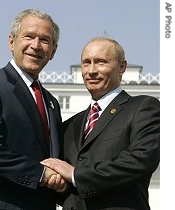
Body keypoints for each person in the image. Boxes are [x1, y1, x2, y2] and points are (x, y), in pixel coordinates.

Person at [41, 37, 160, 210]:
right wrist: (55, 180)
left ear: (122, 67)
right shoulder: (70, 126)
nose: (91, 70)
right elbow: (63, 184)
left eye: (101, 62)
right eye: (86, 63)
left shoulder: (143, 107)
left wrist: (75, 175)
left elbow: (141, 161)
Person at [0, 9, 66, 210]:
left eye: (45, 40)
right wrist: (40, 174)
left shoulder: (51, 102)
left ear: (53, 51)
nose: (36, 45)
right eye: (28, 36)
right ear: (12, 42)